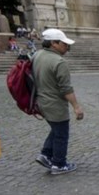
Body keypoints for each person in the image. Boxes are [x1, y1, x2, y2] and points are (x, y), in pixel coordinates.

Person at [33, 28, 84, 175]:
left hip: (41, 102)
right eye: (64, 44)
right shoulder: (59, 61)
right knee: (61, 134)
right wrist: (76, 107)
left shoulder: (37, 55)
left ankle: (45, 154)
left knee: (56, 130)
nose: (67, 47)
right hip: (55, 104)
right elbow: (66, 89)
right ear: (53, 43)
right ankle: (59, 164)